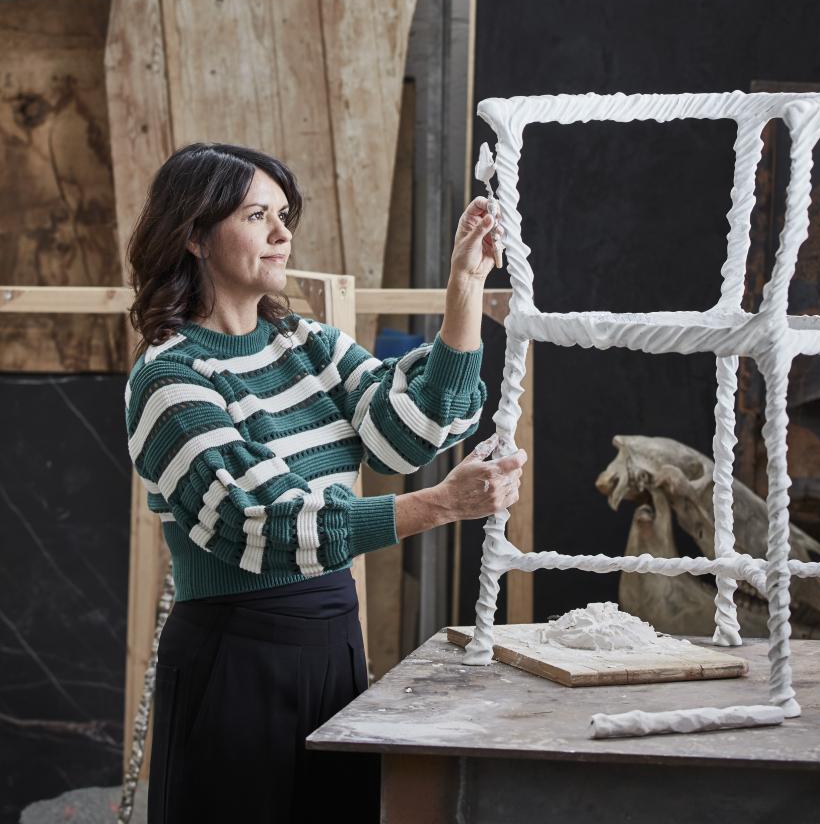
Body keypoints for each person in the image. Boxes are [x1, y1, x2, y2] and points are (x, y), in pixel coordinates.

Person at [123, 141, 524, 824]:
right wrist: (439, 505)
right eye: (257, 216)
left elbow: (409, 429)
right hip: (234, 657)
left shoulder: (306, 345)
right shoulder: (170, 378)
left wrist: (463, 286)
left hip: (334, 639)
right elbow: (262, 521)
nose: (282, 234)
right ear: (194, 236)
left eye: (284, 215)